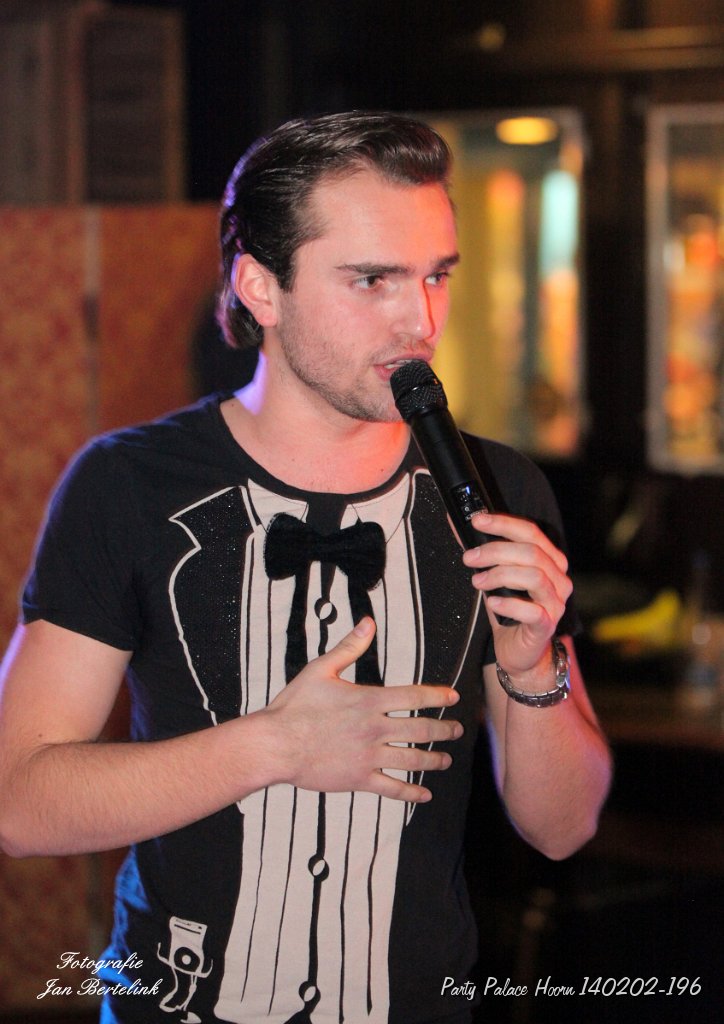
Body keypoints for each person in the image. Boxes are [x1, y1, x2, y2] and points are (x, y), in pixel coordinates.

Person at [0, 111, 611, 1024]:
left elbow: (564, 828)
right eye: (373, 280)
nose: (421, 320)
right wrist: (276, 747)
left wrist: (534, 666)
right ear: (260, 287)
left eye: (437, 275)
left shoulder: (498, 491)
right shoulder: (127, 484)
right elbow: (19, 805)